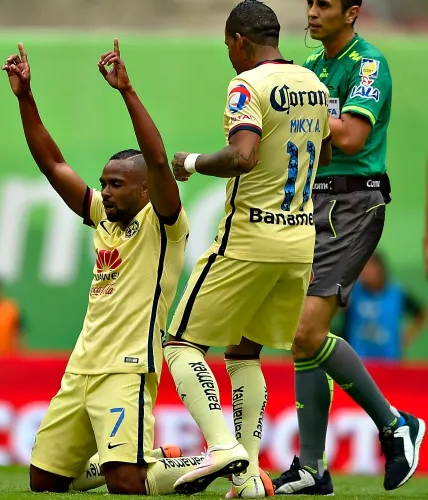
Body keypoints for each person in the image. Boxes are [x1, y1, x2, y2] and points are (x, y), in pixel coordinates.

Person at [2, 39, 209, 495]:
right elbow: (53, 164)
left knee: (126, 482)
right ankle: (163, 460)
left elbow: (157, 160)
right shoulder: (102, 217)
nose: (106, 191)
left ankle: (222, 462)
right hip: (82, 367)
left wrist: (127, 92)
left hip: (127, 368)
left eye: (116, 184)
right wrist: (26, 98)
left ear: (145, 190)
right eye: (103, 184)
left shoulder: (164, 222)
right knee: (45, 481)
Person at [163, 0, 332, 496]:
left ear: (240, 40)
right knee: (244, 352)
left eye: (228, 47)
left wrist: (190, 162)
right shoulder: (315, 86)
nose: (229, 57)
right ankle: (251, 477)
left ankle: (222, 447)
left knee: (180, 344)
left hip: (250, 236)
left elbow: (243, 155)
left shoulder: (247, 86)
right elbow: (323, 150)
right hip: (300, 239)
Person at [272, 0, 425, 494]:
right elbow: (318, 141)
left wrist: (304, 108)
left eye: (325, 4)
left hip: (355, 205)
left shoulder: (369, 65)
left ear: (353, 12)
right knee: (303, 343)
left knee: (306, 332)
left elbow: (353, 139)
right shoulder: (313, 68)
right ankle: (313, 467)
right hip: (312, 202)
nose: (312, 13)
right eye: (309, 4)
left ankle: (396, 423)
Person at [342, 252, 426, 361]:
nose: (365, 271)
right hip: (358, 361)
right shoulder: (352, 292)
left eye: (369, 266)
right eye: (362, 267)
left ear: (380, 268)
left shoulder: (397, 293)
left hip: (389, 361)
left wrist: (406, 337)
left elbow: (421, 312)